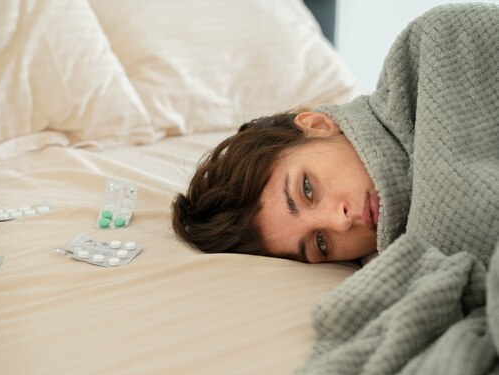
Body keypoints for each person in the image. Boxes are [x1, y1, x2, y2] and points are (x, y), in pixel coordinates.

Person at [172, 2, 499, 265]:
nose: (340, 222)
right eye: (321, 242)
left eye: (307, 189)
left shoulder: (438, 45)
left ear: (317, 124)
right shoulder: (405, 263)